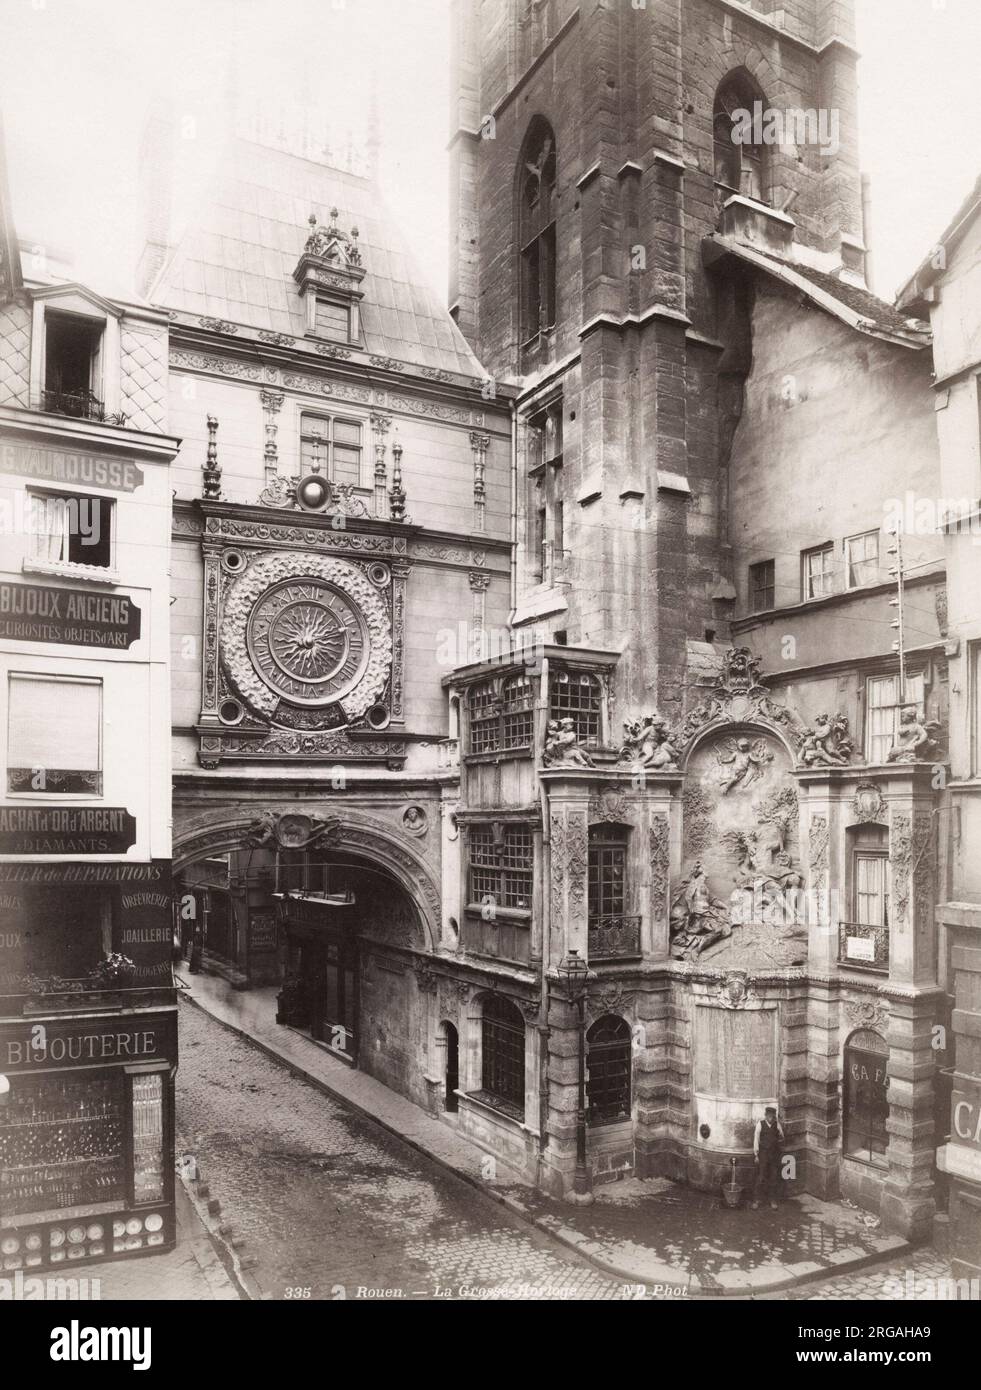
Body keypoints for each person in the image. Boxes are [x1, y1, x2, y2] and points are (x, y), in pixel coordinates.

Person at [751, 1106, 784, 1209]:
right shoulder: (760, 1125)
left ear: (774, 1117)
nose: (770, 1118)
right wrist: (756, 1155)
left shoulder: (777, 1125)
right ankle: (756, 1200)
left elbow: (782, 1137)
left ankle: (772, 1200)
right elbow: (756, 1139)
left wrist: (776, 1143)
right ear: (765, 1116)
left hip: (774, 1155)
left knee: (774, 1177)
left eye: (772, 1116)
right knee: (761, 1177)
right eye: (769, 1116)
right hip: (763, 1154)